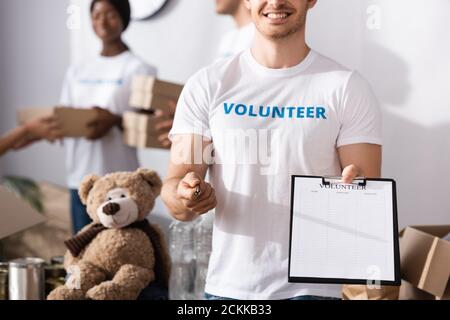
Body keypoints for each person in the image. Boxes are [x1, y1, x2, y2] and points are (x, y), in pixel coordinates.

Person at [161, 0, 382, 300]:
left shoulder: (346, 88)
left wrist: (357, 189)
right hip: (229, 288)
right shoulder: (207, 85)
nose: (276, 2)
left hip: (315, 290)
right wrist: (186, 195)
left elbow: (366, 201)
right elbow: (175, 187)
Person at [60, 0, 157, 234]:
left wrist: (114, 120)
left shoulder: (140, 69)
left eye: (111, 14)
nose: (102, 21)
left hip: (120, 180)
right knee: (84, 259)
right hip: (81, 179)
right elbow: (64, 117)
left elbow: (147, 123)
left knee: (123, 253)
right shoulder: (77, 71)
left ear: (124, 18)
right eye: (96, 15)